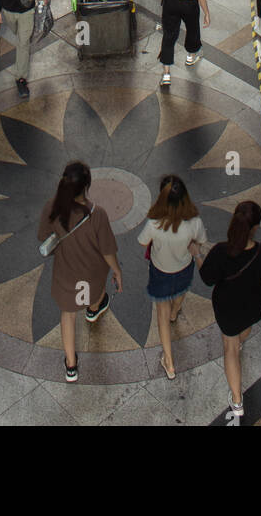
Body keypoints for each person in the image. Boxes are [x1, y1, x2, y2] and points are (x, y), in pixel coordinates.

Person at [191, 201, 261, 420]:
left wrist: (197, 255)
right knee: (243, 331)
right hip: (254, 305)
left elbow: (208, 278)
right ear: (256, 227)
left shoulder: (221, 251)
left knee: (229, 349)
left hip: (227, 308)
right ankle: (240, 343)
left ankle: (237, 401)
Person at [37, 162, 122, 383]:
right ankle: (93, 310)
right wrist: (117, 270)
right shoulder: (98, 215)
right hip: (93, 273)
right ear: (87, 186)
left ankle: (71, 366)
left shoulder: (52, 207)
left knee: (68, 315)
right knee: (94, 293)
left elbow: (43, 236)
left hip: (66, 274)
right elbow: (107, 250)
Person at [138, 176, 206, 379]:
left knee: (161, 315)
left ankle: (169, 361)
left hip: (160, 271)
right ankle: (175, 312)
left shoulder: (154, 223)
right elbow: (201, 241)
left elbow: (143, 242)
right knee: (180, 292)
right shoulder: (194, 222)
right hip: (184, 268)